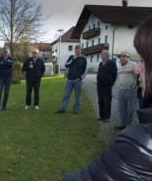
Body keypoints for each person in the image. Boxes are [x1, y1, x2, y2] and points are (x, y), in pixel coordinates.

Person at [62, 16, 152, 181]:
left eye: (145, 60)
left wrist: (86, 78)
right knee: (116, 106)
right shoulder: (103, 64)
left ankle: (119, 122)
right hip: (107, 87)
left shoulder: (140, 144)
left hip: (118, 88)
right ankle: (109, 118)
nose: (140, 67)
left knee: (123, 107)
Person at [56, 45, 87, 115]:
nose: (77, 52)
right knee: (66, 95)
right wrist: (73, 59)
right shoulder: (71, 57)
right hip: (69, 80)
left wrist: (80, 78)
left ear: (81, 51)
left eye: (78, 51)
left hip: (77, 80)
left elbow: (86, 70)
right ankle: (62, 108)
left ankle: (75, 110)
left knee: (77, 95)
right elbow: (66, 65)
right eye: (75, 51)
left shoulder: (84, 58)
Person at [115, 51, 138, 130]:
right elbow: (118, 78)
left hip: (130, 90)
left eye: (124, 57)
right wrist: (118, 86)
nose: (122, 58)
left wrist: (134, 86)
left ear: (128, 58)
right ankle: (123, 124)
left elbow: (137, 76)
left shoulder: (133, 64)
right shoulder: (119, 67)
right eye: (121, 57)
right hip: (121, 90)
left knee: (130, 109)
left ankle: (129, 126)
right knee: (121, 108)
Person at [96, 50, 117, 123]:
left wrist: (111, 82)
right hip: (99, 85)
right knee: (100, 101)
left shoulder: (112, 64)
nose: (101, 56)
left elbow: (115, 75)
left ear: (107, 55)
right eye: (101, 54)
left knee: (107, 101)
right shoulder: (101, 64)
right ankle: (101, 116)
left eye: (102, 54)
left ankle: (107, 117)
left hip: (107, 86)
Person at [0, 46, 14, 112]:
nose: (5, 53)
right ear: (3, 52)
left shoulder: (11, 58)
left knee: (6, 92)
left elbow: (10, 64)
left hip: (8, 78)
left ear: (9, 52)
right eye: (4, 51)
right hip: (1, 77)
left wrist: (3, 64)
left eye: (6, 51)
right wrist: (6, 64)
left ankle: (4, 107)